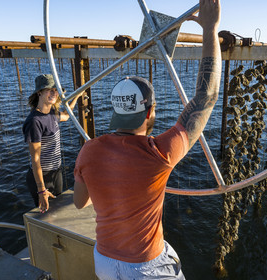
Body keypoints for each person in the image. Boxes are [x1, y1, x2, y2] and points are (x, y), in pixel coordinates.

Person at [73, 0, 221, 278]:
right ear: (150, 111)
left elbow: (80, 202)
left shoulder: (88, 152)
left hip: (104, 260)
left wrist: (110, 185)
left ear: (115, 110)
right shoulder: (160, 154)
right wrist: (210, 29)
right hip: (146, 268)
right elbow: (206, 98)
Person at [23, 74, 80, 213]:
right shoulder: (34, 121)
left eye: (56, 90)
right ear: (39, 92)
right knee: (46, 214)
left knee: (58, 212)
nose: (54, 93)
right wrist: (41, 190)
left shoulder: (52, 113)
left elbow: (66, 116)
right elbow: (35, 159)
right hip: (44, 176)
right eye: (49, 90)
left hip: (56, 172)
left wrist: (77, 96)